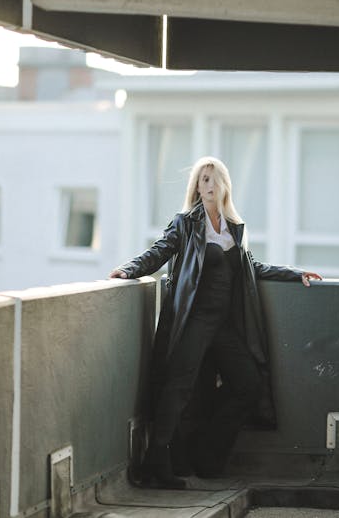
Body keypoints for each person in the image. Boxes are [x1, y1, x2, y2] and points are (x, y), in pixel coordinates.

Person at [110, 156, 322, 489]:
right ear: (196, 186)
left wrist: (295, 274)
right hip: (193, 318)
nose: (208, 185)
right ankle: (156, 462)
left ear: (225, 185)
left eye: (214, 179)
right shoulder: (185, 223)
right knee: (178, 389)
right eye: (202, 179)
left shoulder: (235, 228)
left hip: (224, 325)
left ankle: (206, 455)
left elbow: (253, 268)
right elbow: (160, 251)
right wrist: (129, 270)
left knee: (249, 383)